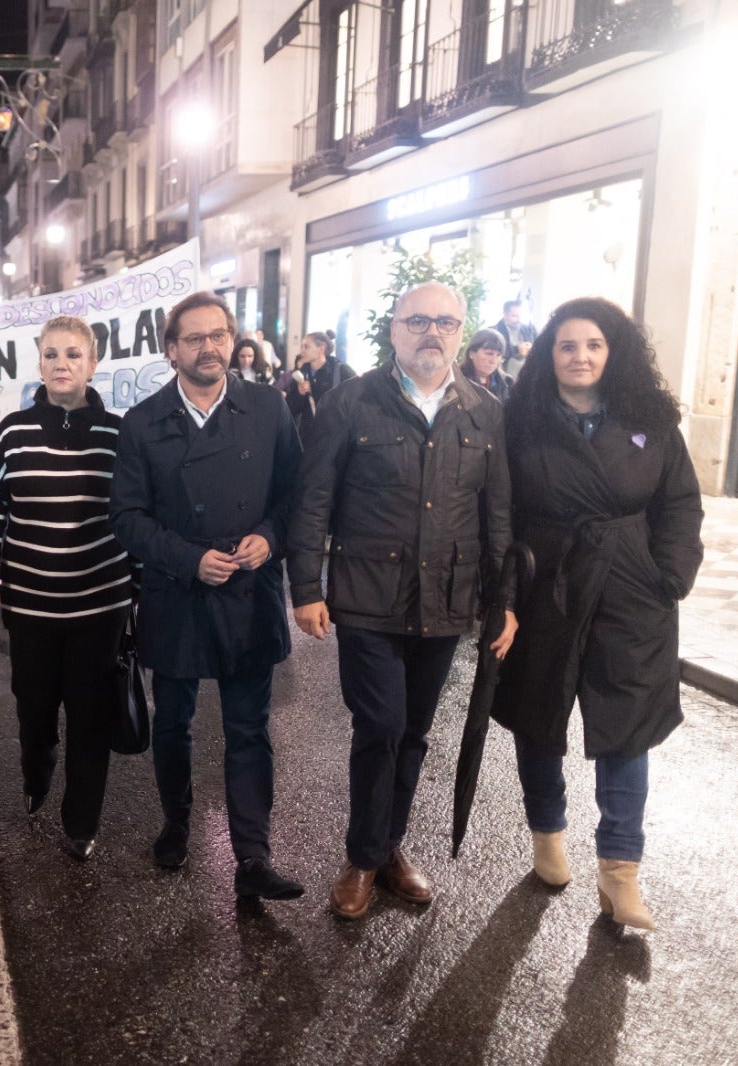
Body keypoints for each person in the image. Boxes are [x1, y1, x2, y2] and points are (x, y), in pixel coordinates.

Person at [289, 282, 515, 921]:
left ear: (462, 331)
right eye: (418, 321)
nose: (432, 333)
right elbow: (313, 502)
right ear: (393, 329)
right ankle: (362, 857)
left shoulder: (484, 410)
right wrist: (307, 588)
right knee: (381, 725)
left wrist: (506, 601)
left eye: (445, 322)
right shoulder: (349, 402)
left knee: (414, 732)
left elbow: (497, 514)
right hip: (367, 598)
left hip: (445, 601)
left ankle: (389, 848)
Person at [490, 297, 703, 931]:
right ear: (547, 354)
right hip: (546, 581)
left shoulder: (651, 422)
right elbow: (498, 512)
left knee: (627, 724)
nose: (580, 357)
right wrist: (501, 596)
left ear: (615, 354)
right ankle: (548, 834)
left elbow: (681, 504)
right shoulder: (519, 422)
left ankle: (620, 870)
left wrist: (670, 575)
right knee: (538, 711)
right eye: (566, 346)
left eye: (593, 345)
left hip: (631, 588)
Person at [110, 292, 306, 900]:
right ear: (172, 352)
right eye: (194, 338)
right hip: (177, 592)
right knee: (174, 724)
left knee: (249, 728)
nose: (210, 347)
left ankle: (253, 854)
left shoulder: (269, 409)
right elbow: (127, 517)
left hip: (249, 589)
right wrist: (189, 558)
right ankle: (176, 821)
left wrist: (268, 539)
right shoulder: (142, 423)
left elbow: (294, 497)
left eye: (218, 335)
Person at [0, 316, 132, 862]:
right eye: (50, 354)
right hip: (31, 602)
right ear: (38, 363)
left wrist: (140, 583)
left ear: (92, 363)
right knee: (33, 707)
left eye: (73, 354)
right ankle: (37, 771)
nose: (61, 363)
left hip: (100, 602)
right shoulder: (14, 430)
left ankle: (81, 819)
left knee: (91, 714)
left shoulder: (118, 433)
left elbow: (135, 512)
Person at [285, 330, 356, 442]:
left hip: (335, 438)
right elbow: (290, 409)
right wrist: (299, 394)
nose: (302, 351)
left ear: (321, 348)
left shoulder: (341, 371)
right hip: (308, 438)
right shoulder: (301, 373)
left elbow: (355, 402)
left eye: (306, 347)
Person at [460, 328, 512, 403]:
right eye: (489, 353)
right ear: (471, 353)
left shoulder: (508, 383)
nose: (493, 361)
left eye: (498, 355)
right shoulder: (456, 382)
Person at [493, 300, 536, 378]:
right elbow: (495, 353)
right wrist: (517, 349)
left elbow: (541, 348)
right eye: (514, 316)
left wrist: (532, 348)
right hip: (506, 376)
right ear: (504, 314)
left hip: (529, 376)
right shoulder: (494, 331)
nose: (518, 319)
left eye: (520, 316)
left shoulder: (530, 330)